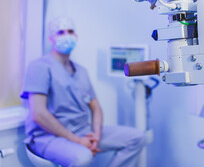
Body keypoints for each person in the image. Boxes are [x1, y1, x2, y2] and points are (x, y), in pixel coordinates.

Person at [21, 16, 145, 167]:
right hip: (48, 136)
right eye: (60, 32)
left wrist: (96, 135)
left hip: (82, 130)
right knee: (83, 157)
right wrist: (78, 141)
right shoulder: (39, 67)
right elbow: (38, 115)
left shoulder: (81, 71)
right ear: (51, 38)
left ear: (76, 36)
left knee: (137, 137)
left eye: (70, 31)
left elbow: (95, 106)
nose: (66, 35)